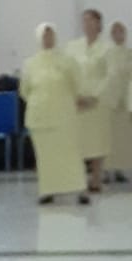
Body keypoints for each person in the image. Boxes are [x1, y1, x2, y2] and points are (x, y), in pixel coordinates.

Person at [22, 24, 90, 206]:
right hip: (40, 118)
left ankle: (80, 189)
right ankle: (47, 191)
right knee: (45, 157)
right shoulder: (30, 64)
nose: (48, 39)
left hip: (64, 117)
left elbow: (78, 85)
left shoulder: (68, 61)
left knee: (71, 154)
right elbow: (25, 90)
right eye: (44, 36)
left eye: (50, 35)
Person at [68, 9, 113, 192]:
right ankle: (78, 179)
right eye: (84, 21)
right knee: (78, 141)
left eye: (91, 20)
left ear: (98, 24)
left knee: (97, 141)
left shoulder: (107, 48)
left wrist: (94, 97)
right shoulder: (73, 47)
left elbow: (110, 76)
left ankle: (96, 179)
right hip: (78, 100)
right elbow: (68, 71)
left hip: (97, 102)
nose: (87, 24)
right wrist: (75, 95)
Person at [105, 22, 132, 181]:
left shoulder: (129, 53)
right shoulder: (107, 54)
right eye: (115, 32)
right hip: (110, 100)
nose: (118, 35)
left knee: (123, 137)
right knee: (109, 138)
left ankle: (120, 169)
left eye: (121, 32)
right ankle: (107, 170)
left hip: (125, 101)